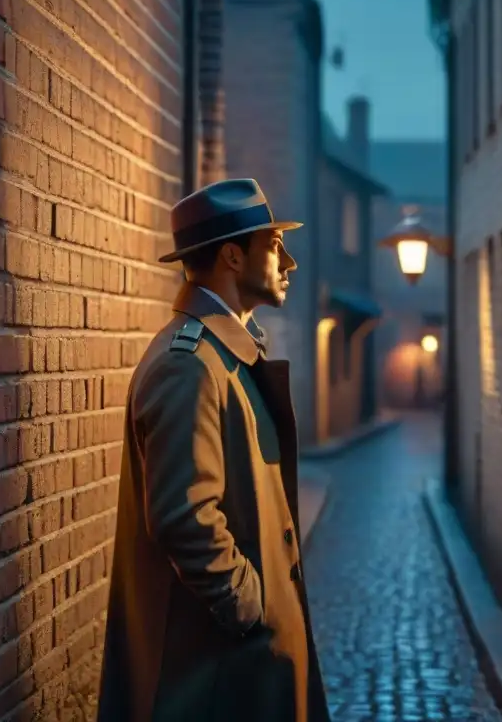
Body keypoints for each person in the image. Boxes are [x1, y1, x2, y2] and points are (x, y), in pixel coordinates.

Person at [96, 178, 330, 722]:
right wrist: (253, 609)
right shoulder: (190, 364)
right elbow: (185, 517)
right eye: (273, 245)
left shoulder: (221, 356)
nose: (288, 262)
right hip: (214, 674)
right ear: (231, 255)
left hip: (239, 664)